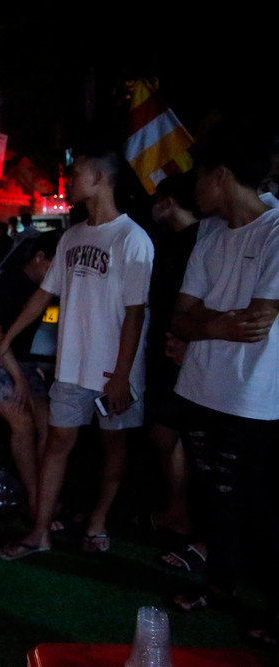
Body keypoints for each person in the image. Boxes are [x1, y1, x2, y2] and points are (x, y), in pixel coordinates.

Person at [0, 145, 154, 560]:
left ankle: (98, 520)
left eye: (77, 171)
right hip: (72, 366)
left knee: (113, 443)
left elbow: (136, 313)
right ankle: (40, 532)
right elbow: (44, 293)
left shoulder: (132, 238)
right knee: (57, 443)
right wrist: (9, 336)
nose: (69, 179)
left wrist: (122, 375)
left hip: (114, 370)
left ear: (99, 178)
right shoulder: (72, 236)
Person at [167, 122, 279, 646]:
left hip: (250, 397)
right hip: (198, 388)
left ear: (222, 176)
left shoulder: (275, 231)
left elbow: (256, 321)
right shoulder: (210, 234)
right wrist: (215, 325)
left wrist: (202, 323)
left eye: (199, 175)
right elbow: (181, 317)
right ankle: (218, 585)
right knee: (212, 496)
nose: (194, 186)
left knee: (253, 505)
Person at [0, 231, 60, 519]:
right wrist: (19, 379)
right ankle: (34, 498)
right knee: (23, 421)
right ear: (39, 258)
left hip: (21, 363)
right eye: (54, 264)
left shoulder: (44, 288)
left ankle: (46, 492)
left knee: (49, 424)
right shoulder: (8, 284)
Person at [141, 173, 206, 570]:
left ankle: (188, 519)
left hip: (187, 352)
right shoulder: (169, 241)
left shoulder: (204, 240)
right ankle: (178, 511)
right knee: (165, 433)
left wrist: (189, 342)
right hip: (166, 349)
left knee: (183, 437)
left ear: (167, 202)